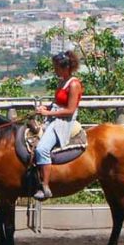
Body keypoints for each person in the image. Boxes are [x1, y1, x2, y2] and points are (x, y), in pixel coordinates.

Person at [32, 51, 83, 200]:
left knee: (42, 149)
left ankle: (45, 186)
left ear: (65, 67)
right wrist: (46, 108)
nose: (55, 70)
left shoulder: (74, 84)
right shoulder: (62, 81)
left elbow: (70, 110)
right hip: (55, 115)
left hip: (64, 121)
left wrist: (48, 114)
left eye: (56, 67)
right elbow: (57, 103)